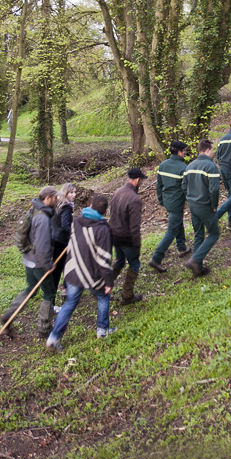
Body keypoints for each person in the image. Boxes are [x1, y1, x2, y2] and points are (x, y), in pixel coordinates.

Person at [48, 194, 116, 351]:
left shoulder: (78, 220)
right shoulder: (103, 229)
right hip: (91, 274)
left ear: (91, 206)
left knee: (70, 303)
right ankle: (102, 330)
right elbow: (104, 258)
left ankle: (53, 337)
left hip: (73, 270)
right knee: (103, 297)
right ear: (106, 211)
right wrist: (108, 282)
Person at [1, 187, 61, 339]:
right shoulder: (43, 219)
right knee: (49, 293)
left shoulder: (34, 209)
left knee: (31, 289)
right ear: (47, 198)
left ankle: (9, 316)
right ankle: (44, 328)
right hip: (39, 263)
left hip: (29, 259)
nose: (57, 200)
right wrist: (47, 265)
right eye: (55, 197)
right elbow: (42, 246)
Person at [147, 142, 193, 273]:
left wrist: (161, 200)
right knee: (172, 230)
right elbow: (186, 188)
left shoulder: (163, 165)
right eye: (183, 151)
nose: (184, 153)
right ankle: (156, 258)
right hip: (176, 203)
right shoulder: (183, 168)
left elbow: (159, 185)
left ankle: (182, 247)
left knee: (177, 222)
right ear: (179, 152)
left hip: (167, 201)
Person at [182, 139, 222, 278]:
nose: (213, 152)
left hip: (193, 206)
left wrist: (190, 198)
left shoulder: (190, 166)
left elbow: (184, 185)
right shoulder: (210, 166)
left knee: (198, 235)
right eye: (212, 150)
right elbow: (214, 189)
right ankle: (195, 260)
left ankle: (197, 268)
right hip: (205, 206)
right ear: (208, 150)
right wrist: (214, 205)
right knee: (214, 234)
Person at [109, 168, 147, 305]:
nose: (141, 183)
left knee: (120, 261)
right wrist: (136, 244)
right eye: (141, 180)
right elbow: (134, 226)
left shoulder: (117, 192)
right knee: (134, 264)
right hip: (126, 238)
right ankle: (127, 295)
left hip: (114, 235)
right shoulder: (134, 199)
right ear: (137, 180)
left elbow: (111, 215)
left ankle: (103, 287)